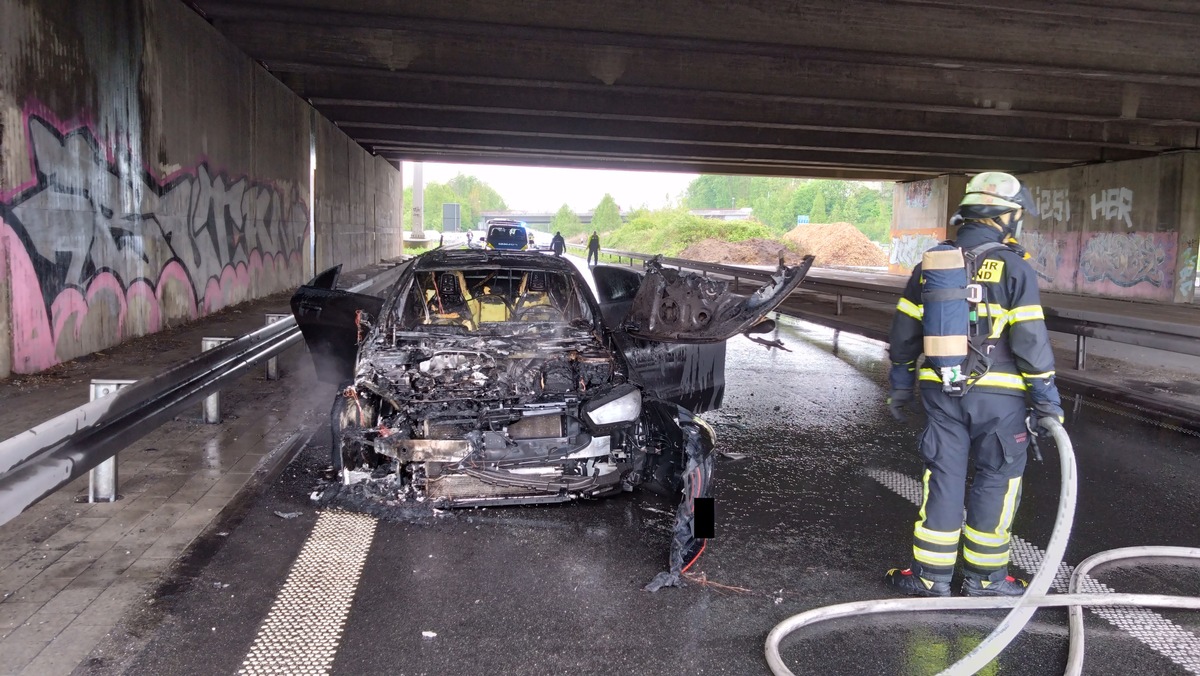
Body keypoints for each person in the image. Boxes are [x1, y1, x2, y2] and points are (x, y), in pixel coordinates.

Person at [884, 172, 1064, 598]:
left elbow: (904, 333)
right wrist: (1046, 402)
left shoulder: (931, 263)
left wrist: (900, 385)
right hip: (1000, 400)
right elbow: (1031, 341)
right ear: (1005, 218)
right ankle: (987, 580)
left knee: (943, 477)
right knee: (996, 480)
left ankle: (930, 578)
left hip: (940, 392)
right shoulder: (1015, 267)